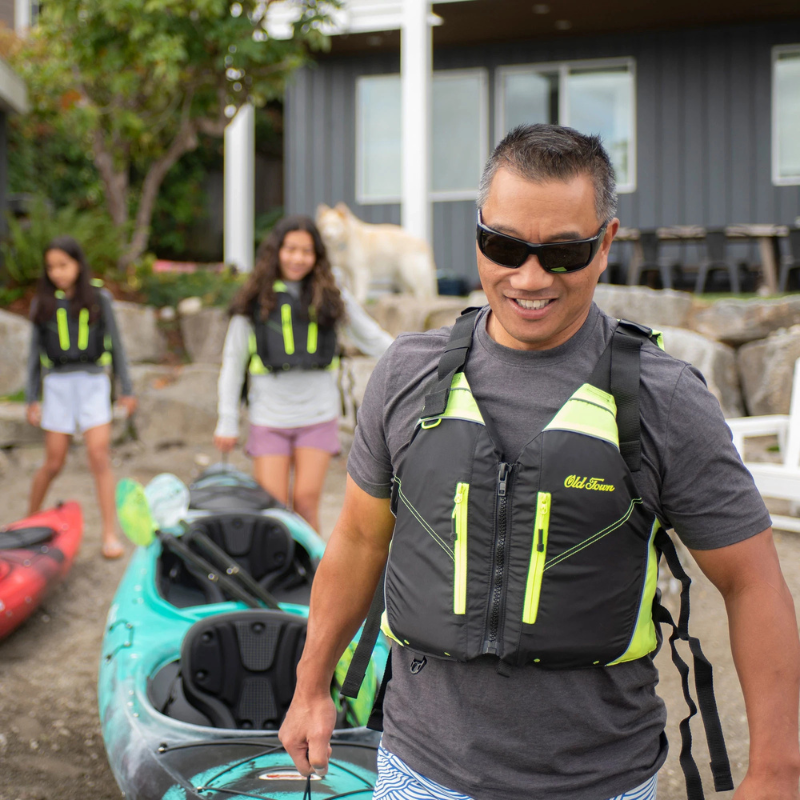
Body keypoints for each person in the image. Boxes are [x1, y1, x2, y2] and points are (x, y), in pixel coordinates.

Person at [279, 125, 800, 800]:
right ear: (478, 236)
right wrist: (311, 686)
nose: (528, 278)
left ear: (606, 244)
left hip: (600, 782)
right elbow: (355, 539)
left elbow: (754, 581)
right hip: (418, 772)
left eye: (562, 254)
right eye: (504, 246)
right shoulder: (406, 375)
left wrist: (778, 771)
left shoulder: (665, 399)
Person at [213, 215, 393, 532]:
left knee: (307, 503)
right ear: (276, 251)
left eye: (306, 251)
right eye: (290, 249)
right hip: (269, 418)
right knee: (274, 511)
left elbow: (371, 336)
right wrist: (227, 420)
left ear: (317, 256)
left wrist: (417, 359)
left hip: (317, 416)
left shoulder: (331, 293)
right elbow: (233, 360)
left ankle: (313, 579)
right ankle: (276, 580)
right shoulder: (254, 298)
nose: (298, 258)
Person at [25, 236, 137, 559]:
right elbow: (34, 355)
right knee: (54, 461)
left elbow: (117, 347)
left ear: (77, 264)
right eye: (51, 267)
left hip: (93, 383)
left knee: (98, 455)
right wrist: (33, 397)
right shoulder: (42, 303)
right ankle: (27, 520)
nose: (58, 273)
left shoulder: (99, 298)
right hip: (58, 386)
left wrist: (126, 389)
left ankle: (109, 534)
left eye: (64, 265)